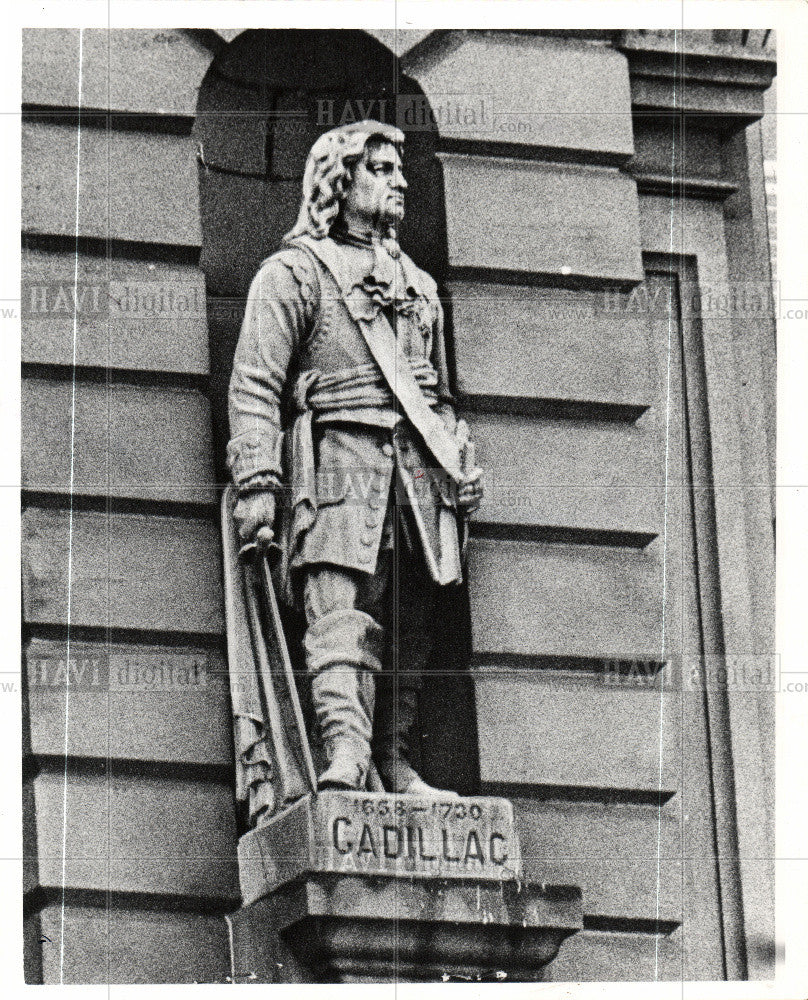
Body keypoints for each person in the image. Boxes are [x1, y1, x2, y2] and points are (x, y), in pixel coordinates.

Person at [227, 120, 483, 814]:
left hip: (416, 476)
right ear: (338, 181)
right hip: (337, 464)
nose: (399, 181)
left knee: (410, 622)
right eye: (380, 169)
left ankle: (393, 759)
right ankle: (344, 746)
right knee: (338, 613)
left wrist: (460, 457)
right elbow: (255, 382)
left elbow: (439, 392)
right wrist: (258, 483)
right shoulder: (295, 274)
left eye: (399, 169)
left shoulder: (421, 287)